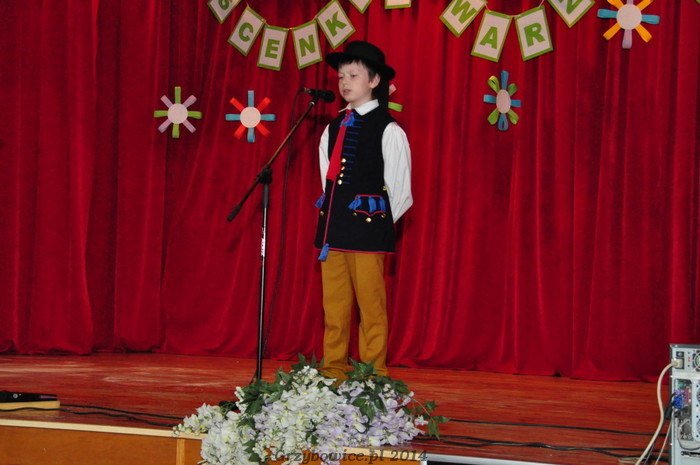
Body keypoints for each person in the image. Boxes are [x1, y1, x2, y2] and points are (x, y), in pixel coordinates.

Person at [314, 40, 412, 380]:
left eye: (353, 75)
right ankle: (332, 370)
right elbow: (327, 182)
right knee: (334, 307)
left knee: (371, 307)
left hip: (368, 232)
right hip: (333, 230)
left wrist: (375, 225)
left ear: (374, 80)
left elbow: (401, 192)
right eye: (341, 76)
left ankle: (373, 375)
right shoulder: (331, 128)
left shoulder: (389, 129)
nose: (345, 82)